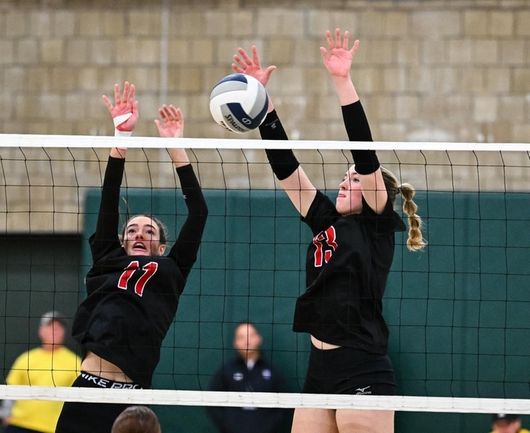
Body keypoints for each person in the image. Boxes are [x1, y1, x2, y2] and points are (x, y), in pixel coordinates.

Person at [233, 29, 425, 433]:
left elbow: (365, 153)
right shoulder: (325, 221)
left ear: (376, 193)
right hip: (319, 368)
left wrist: (342, 81)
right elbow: (287, 173)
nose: (344, 181)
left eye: (353, 180)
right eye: (343, 177)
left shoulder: (375, 223)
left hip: (363, 366)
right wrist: (266, 112)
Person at [55, 82, 208, 433]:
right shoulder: (108, 256)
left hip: (132, 396)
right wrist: (120, 138)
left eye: (149, 231)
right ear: (122, 242)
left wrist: (176, 148)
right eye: (133, 230)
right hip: (90, 388)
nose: (139, 234)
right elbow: (109, 199)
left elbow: (198, 212)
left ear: (161, 248)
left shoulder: (173, 270)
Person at [3, 311, 81, 433]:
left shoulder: (75, 362)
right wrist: (6, 416)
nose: (55, 330)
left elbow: (79, 398)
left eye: (59, 327)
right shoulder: (25, 359)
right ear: (41, 331)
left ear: (64, 333)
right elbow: (10, 391)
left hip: (54, 428)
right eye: (50, 326)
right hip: (20, 425)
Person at [207, 322, 290, 433]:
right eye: (241, 337)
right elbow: (212, 401)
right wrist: (228, 425)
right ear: (235, 342)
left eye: (251, 335)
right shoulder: (226, 371)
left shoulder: (272, 371)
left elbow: (284, 403)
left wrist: (269, 427)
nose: (247, 341)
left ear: (258, 338)